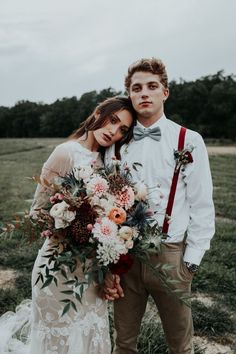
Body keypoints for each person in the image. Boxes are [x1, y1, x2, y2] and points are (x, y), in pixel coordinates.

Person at [0, 96, 136, 354]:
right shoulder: (65, 153)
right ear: (98, 113)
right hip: (58, 271)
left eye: (122, 130)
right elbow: (37, 213)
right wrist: (72, 218)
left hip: (91, 274)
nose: (113, 131)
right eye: (113, 120)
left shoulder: (109, 162)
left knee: (88, 340)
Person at [105, 58, 215, 354]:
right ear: (129, 94)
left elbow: (202, 205)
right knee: (124, 343)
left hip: (171, 256)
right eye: (136, 88)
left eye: (151, 87)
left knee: (180, 345)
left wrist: (190, 262)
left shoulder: (188, 140)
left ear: (164, 92)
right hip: (126, 258)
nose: (144, 93)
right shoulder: (116, 145)